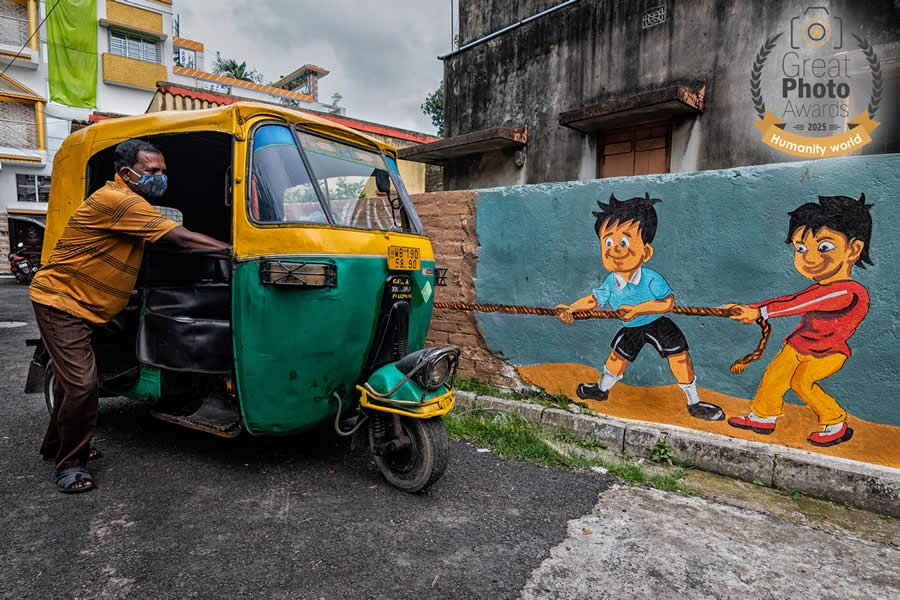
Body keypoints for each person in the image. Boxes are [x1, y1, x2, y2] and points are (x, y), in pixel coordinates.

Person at [30, 138, 231, 493]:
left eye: (163, 171)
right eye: (152, 171)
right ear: (127, 173)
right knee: (81, 384)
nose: (161, 177)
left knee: (68, 384)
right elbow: (181, 238)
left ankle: (54, 445)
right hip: (61, 303)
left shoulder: (130, 201)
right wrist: (237, 250)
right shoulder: (118, 201)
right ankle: (70, 465)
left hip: (86, 304)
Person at [556, 193, 725, 421]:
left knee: (680, 358)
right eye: (608, 242)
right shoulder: (610, 281)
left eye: (623, 242)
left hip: (658, 323)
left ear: (645, 252)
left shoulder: (652, 279)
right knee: (616, 358)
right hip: (632, 326)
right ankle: (601, 389)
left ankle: (694, 402)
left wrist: (638, 309)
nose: (615, 249)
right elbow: (593, 301)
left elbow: (667, 303)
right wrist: (571, 309)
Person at [726, 194, 872, 447]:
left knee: (801, 382)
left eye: (824, 247)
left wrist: (761, 312)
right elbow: (796, 298)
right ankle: (762, 417)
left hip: (829, 351)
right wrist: (751, 308)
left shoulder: (848, 291)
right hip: (799, 343)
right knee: (774, 376)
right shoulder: (822, 288)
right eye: (800, 248)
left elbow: (800, 303)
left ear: (854, 250)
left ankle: (835, 422)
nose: (809, 258)